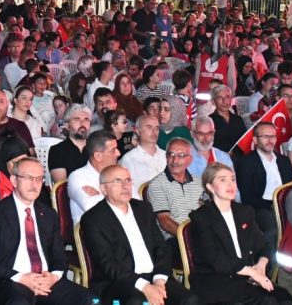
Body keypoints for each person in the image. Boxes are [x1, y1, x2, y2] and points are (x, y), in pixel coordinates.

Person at [0, 156, 96, 305]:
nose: (35, 184)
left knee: (89, 299)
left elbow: (59, 256)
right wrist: (21, 278)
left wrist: (54, 277)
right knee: (19, 302)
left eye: (39, 179)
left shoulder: (48, 214)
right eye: (28, 178)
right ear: (14, 180)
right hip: (10, 280)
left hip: (46, 280)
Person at [80, 164, 199, 305]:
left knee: (189, 300)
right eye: (117, 181)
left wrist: (159, 281)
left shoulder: (143, 209)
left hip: (154, 276)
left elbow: (162, 247)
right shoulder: (93, 219)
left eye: (128, 180)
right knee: (138, 302)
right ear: (104, 189)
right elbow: (108, 264)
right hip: (117, 281)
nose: (125, 186)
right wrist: (145, 287)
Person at [188, 162, 292, 304]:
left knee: (284, 298)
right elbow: (214, 259)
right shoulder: (201, 217)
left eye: (232, 179)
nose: (230, 184)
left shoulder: (244, 211)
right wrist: (251, 272)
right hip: (215, 279)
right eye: (223, 180)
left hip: (245, 276)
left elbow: (263, 245)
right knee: (267, 301)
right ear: (210, 187)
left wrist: (261, 265)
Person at [233, 122, 292, 264]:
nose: (270, 140)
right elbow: (247, 197)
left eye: (273, 136)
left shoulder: (284, 161)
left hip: (286, 205)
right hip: (262, 207)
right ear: (255, 140)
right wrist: (273, 205)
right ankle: (268, 270)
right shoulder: (246, 162)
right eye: (265, 136)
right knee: (272, 229)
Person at [67, 129, 120, 221]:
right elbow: (92, 208)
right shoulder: (77, 177)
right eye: (113, 150)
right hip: (94, 232)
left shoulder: (120, 172)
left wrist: (101, 196)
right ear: (98, 156)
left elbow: (137, 202)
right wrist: (120, 196)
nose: (118, 153)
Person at [119, 114, 166, 198]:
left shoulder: (166, 155)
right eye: (149, 127)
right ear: (137, 131)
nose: (154, 131)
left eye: (157, 128)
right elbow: (128, 191)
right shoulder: (128, 159)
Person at [47, 104, 90, 183]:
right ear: (67, 126)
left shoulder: (97, 148)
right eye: (77, 119)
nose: (82, 123)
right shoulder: (57, 151)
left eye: (86, 119)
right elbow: (62, 187)